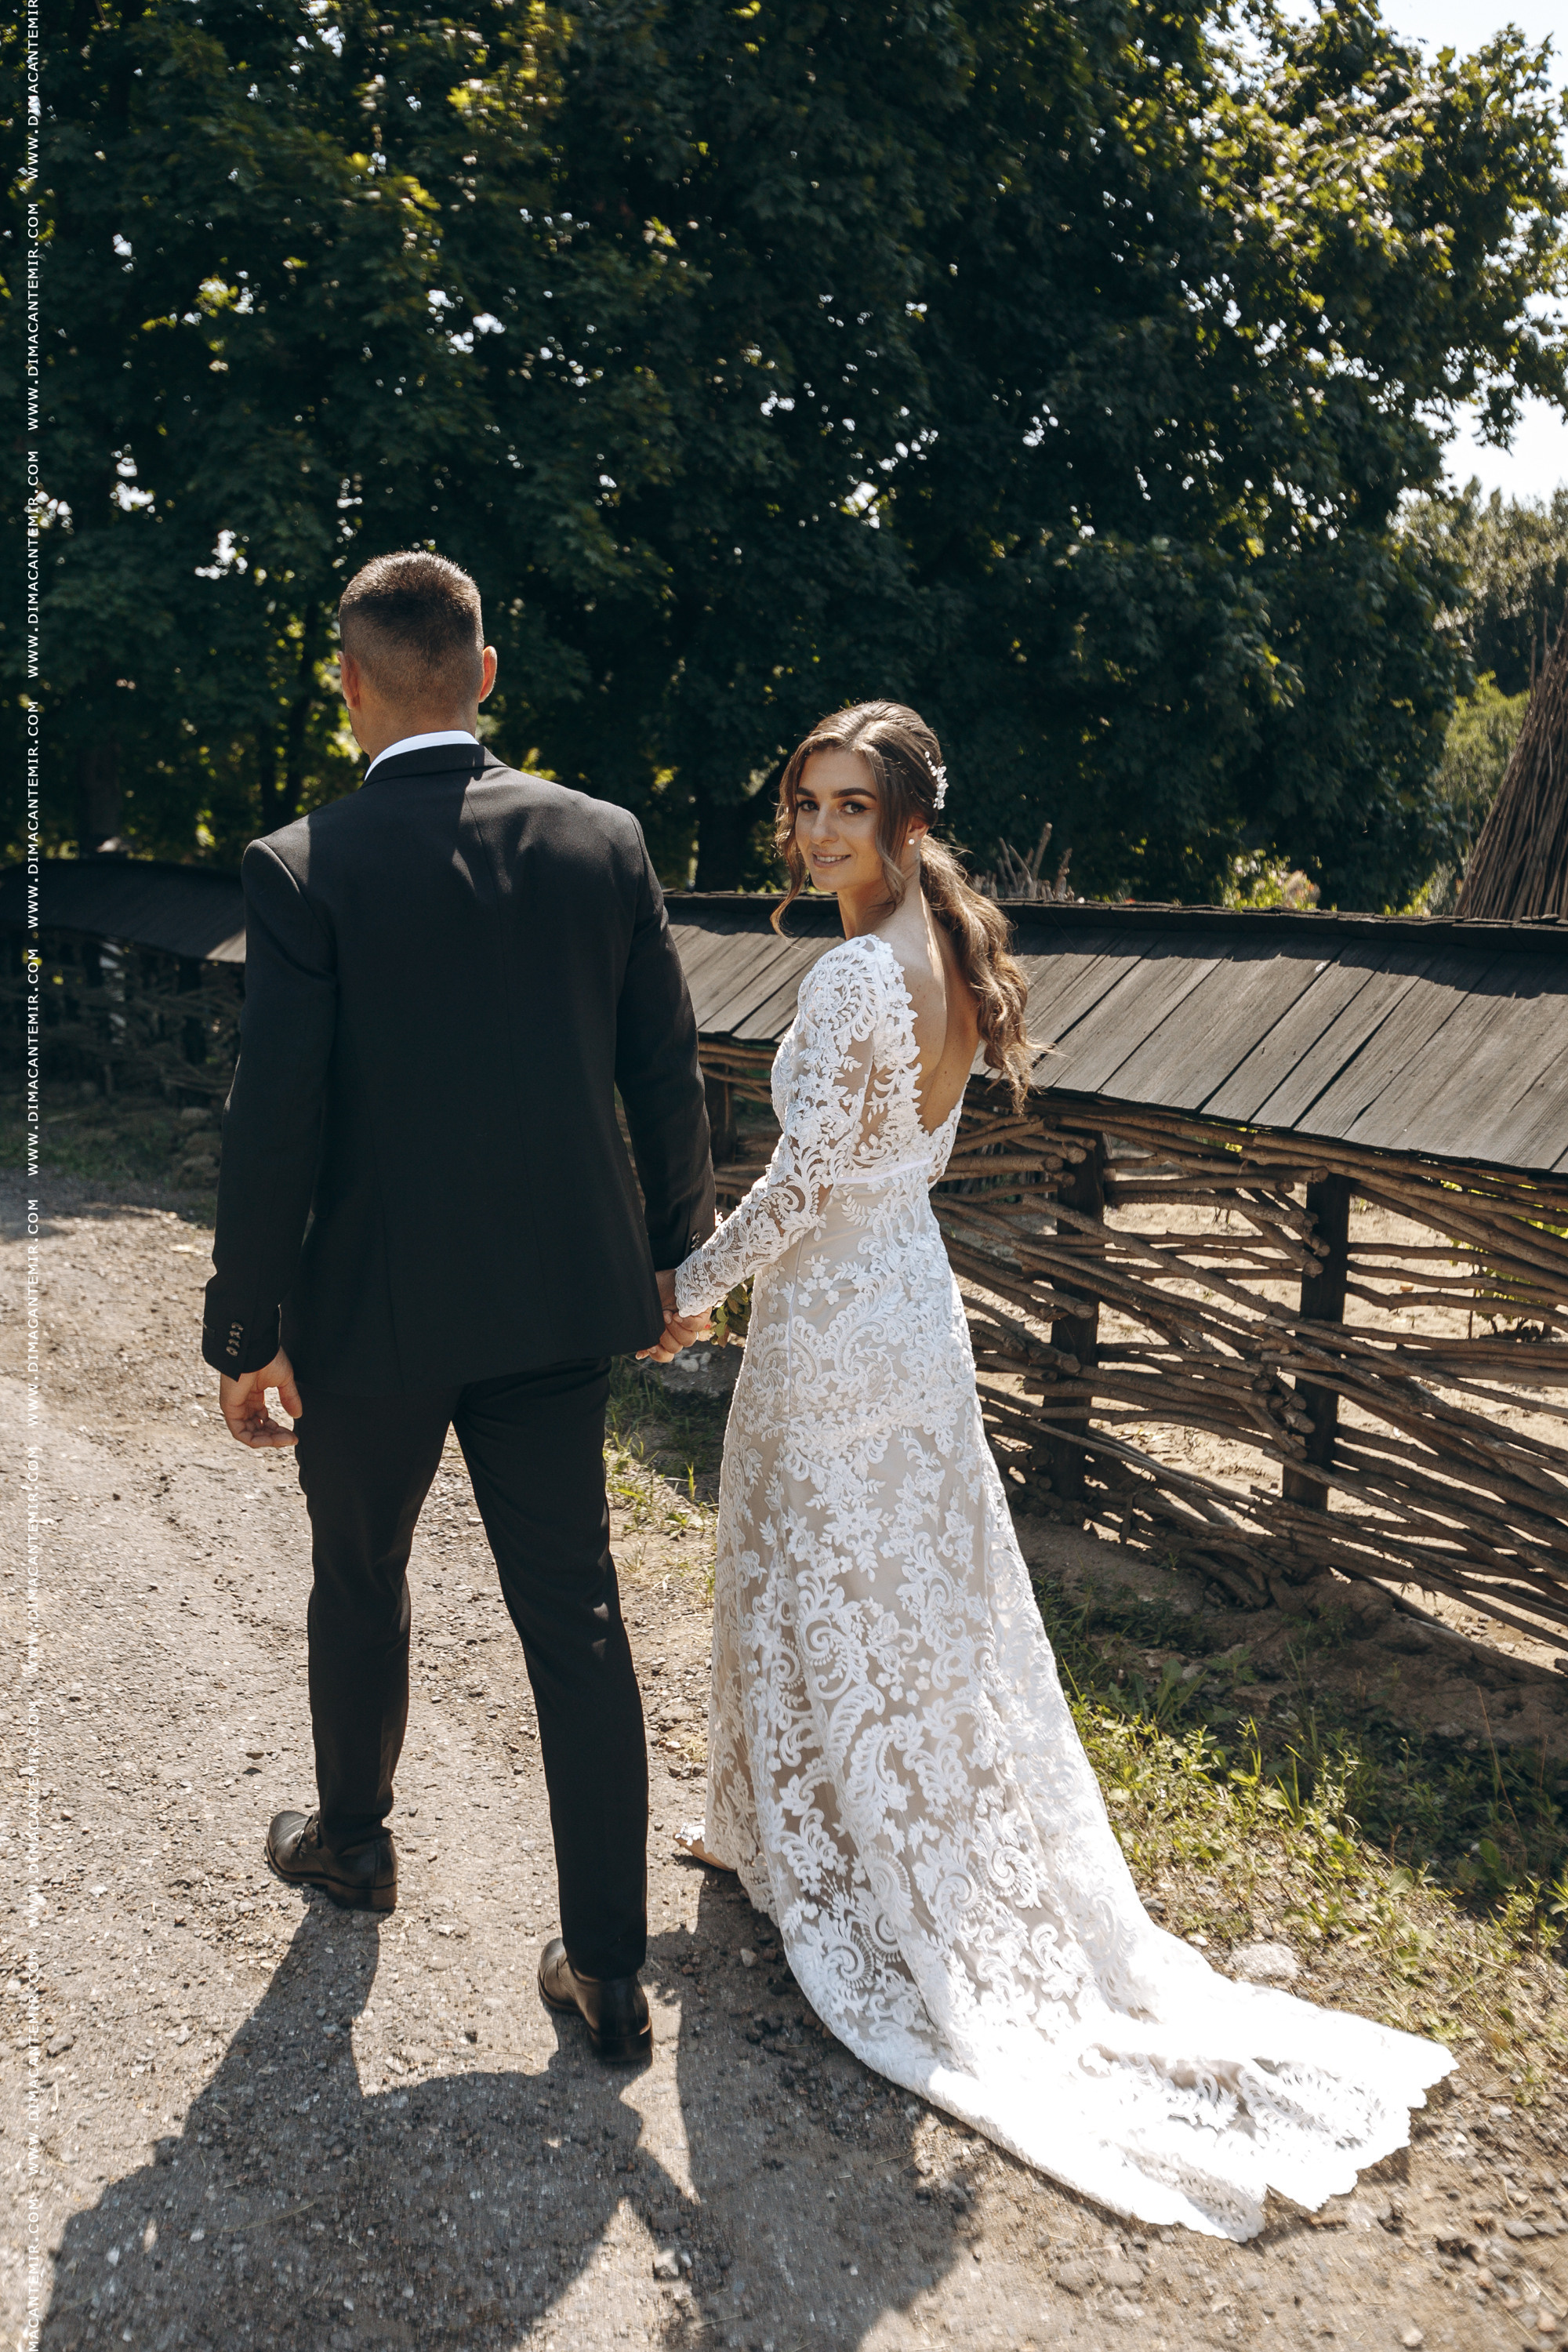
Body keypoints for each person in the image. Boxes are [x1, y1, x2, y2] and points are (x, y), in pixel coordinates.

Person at [666, 700, 1452, 2238]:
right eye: (800, 802)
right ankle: (787, 1836)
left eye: (844, 808)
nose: (813, 830)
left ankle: (841, 1873)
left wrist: (686, 1288)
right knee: (900, 1612)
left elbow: (799, 1185)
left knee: (814, 1586)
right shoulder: (947, 953)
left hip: (838, 1326)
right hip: (911, 1308)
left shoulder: (847, 974)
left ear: (902, 825)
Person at [202, 550, 714, 2064]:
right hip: (561, 1305)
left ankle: (354, 1845)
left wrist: (247, 1329)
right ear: (484, 676)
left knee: (359, 1573)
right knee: (579, 1619)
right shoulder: (604, 840)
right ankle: (611, 1970)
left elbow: (272, 1117)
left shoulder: (306, 865)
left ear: (350, 687)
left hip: (369, 1317)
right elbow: (664, 1072)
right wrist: (675, 1261)